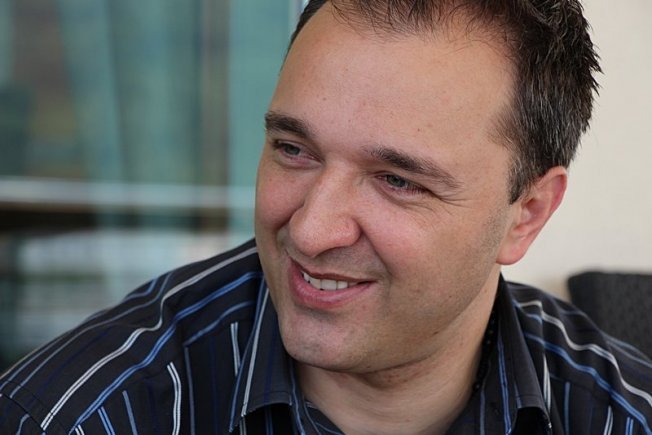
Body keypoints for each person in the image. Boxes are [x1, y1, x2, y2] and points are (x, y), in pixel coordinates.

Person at [1, 0, 651, 433]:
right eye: (294, 149)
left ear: (526, 214)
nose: (310, 232)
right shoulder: (77, 416)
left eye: (397, 180)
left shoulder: (623, 417)